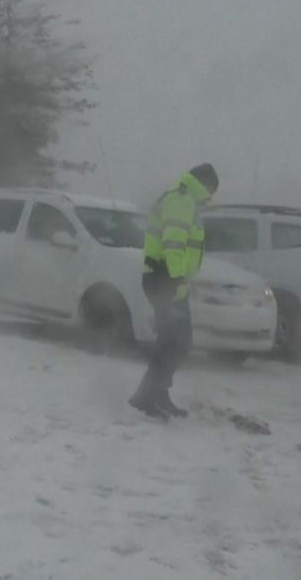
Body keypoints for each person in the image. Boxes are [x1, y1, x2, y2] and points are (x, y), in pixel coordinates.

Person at [129, 163, 219, 420]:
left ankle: (157, 394)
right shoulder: (181, 200)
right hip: (166, 279)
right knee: (174, 343)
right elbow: (174, 242)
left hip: (169, 279)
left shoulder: (184, 199)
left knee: (176, 342)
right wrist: (178, 278)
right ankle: (145, 397)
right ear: (205, 185)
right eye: (211, 190)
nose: (211, 197)